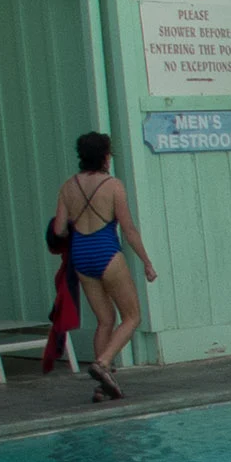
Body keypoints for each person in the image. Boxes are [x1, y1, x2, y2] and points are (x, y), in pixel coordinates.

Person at [49, 132, 157, 401]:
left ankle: (101, 386)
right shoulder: (113, 186)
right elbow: (129, 230)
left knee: (105, 320)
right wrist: (147, 263)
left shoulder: (67, 186)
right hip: (106, 252)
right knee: (132, 317)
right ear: (105, 156)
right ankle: (103, 363)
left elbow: (60, 229)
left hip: (81, 256)